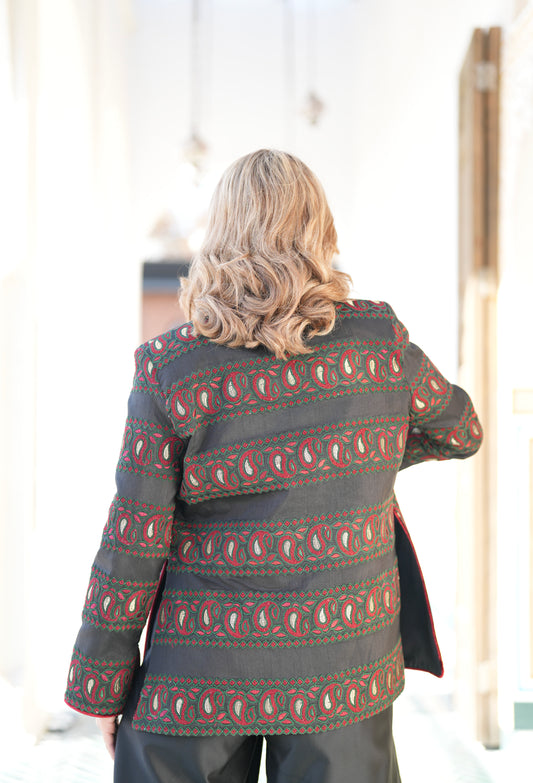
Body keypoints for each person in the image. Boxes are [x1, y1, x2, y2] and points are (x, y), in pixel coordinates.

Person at [65, 149, 483, 782]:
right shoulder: (378, 343)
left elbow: (133, 539)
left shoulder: (171, 370)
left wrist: (99, 687)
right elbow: (461, 429)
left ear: (220, 236)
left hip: (196, 679)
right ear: (321, 232)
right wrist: (353, 463)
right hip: (342, 668)